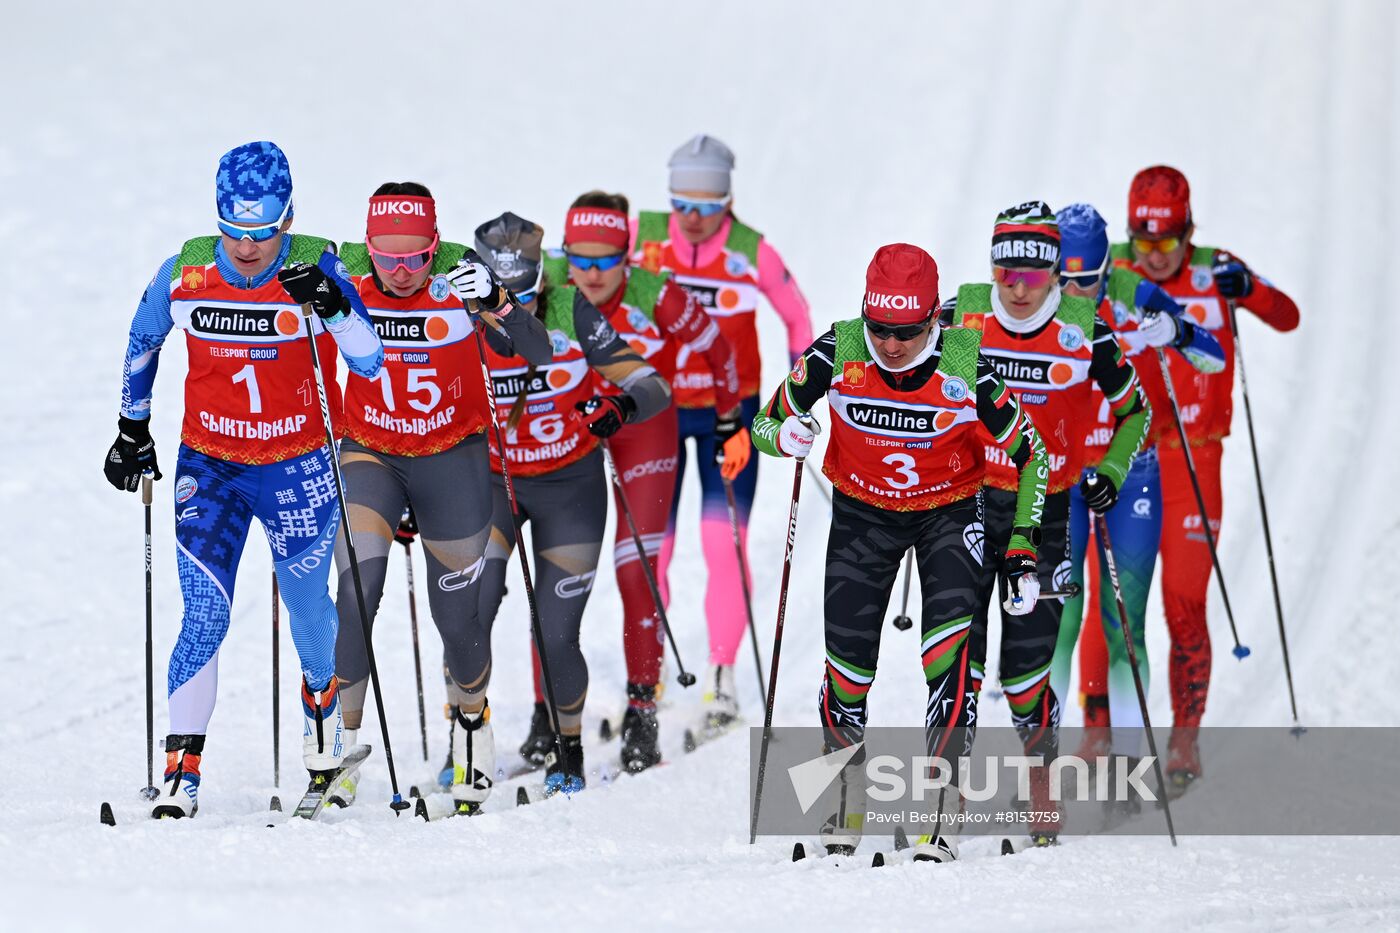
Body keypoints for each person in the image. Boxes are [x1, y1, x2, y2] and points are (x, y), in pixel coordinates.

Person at [103, 141, 384, 818]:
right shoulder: (187, 273)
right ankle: (181, 767)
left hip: (300, 466)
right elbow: (143, 341)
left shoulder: (320, 265)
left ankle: (328, 745)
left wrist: (336, 305)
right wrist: (130, 427)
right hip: (214, 465)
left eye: (263, 233)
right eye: (234, 230)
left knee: (311, 613)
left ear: (288, 218)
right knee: (204, 611)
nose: (249, 247)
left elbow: (371, 361)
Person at [752, 243, 1049, 863]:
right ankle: (844, 796)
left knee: (946, 657)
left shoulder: (967, 365)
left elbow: (1034, 457)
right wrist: (786, 435)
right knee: (847, 666)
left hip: (948, 513)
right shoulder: (838, 351)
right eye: (880, 328)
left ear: (933, 322)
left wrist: (1021, 544)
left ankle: (940, 808)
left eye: (908, 332)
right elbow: (762, 425)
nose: (890, 345)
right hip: (864, 514)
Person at [328, 183, 551, 814]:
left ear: (435, 245)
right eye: (386, 258)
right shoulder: (342, 267)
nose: (400, 273)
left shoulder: (464, 273)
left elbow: (537, 351)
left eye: (416, 258)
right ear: (367, 245)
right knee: (355, 592)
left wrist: (501, 302)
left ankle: (472, 724)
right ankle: (339, 748)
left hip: (452, 457)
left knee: (455, 616)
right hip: (370, 452)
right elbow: (256, 264)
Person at [939, 201, 1150, 843]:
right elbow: (916, 387)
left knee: (1026, 671)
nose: (1020, 286)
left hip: (1046, 510)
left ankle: (1041, 799)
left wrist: (1111, 470)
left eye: (1035, 272)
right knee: (956, 656)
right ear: (993, 265)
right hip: (969, 503)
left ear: (1059, 271)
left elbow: (1134, 412)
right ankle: (946, 799)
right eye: (1007, 269)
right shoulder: (962, 313)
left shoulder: (1085, 327)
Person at [522, 192, 741, 773]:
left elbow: (720, 352)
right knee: (553, 576)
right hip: (571, 433)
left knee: (636, 569)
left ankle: (643, 710)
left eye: (605, 262)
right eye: (578, 260)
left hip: (644, 433)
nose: (589, 275)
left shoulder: (653, 292)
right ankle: (546, 714)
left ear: (627, 255)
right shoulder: (549, 287)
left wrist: (727, 423)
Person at [1111, 167, 1299, 790]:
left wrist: (1250, 289)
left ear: (1189, 231)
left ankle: (1185, 740)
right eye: (1144, 243)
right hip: (1126, 457)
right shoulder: (1107, 267)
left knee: (1185, 603)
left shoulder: (1217, 267)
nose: (1155, 257)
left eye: (1168, 243)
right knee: (1112, 608)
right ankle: (1099, 738)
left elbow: (1287, 316)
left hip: (1197, 459)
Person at [474, 212, 672, 794]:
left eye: (529, 298)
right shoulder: (459, 316)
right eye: (501, 301)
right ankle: (472, 746)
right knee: (470, 610)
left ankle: (569, 752)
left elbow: (651, 386)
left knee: (557, 630)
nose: (517, 314)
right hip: (494, 485)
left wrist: (619, 409)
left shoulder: (571, 311)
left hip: (569, 485)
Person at [633, 134, 813, 731]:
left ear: (728, 201)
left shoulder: (748, 248)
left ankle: (721, 673)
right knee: (653, 544)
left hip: (729, 417)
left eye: (708, 207)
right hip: (657, 409)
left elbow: (798, 317)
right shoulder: (645, 235)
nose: (693, 218)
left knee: (722, 542)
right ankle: (647, 666)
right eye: (682, 203)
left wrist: (801, 394)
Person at [1047, 203, 1225, 768]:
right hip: (1064, 473)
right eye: (1064, 278)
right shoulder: (1033, 303)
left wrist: (1177, 329)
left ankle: (1128, 763)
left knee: (1124, 622)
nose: (1075, 291)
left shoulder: (1134, 291)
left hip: (1131, 473)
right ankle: (1041, 760)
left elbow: (1214, 357)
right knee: (1059, 618)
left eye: (1089, 280)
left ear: (1107, 269)